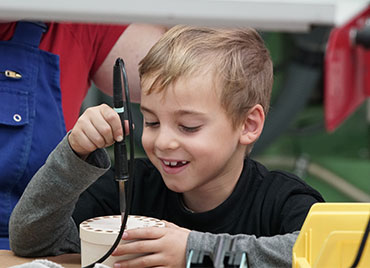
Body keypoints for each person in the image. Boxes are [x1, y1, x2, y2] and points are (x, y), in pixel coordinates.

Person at [9, 25, 324, 267]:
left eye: (188, 126)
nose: (162, 142)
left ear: (249, 125)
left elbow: (330, 255)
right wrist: (74, 156)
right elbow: (33, 243)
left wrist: (192, 253)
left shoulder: (282, 200)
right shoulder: (131, 187)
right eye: (152, 122)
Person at [0, 21, 166, 249]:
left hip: (36, 251)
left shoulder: (77, 22)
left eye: (189, 126)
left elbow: (190, 67)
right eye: (153, 123)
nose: (167, 142)